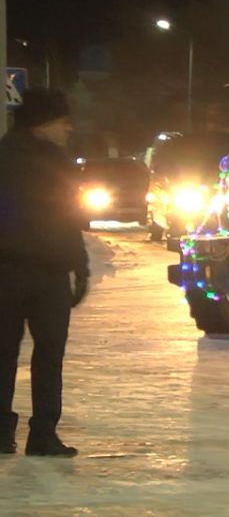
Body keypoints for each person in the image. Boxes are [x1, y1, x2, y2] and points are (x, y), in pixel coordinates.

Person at [0, 88, 88, 458]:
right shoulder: (9, 159)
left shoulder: (56, 162)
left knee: (25, 353)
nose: (69, 129)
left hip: (42, 273)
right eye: (63, 122)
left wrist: (78, 266)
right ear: (42, 124)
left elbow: (69, 219)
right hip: (16, 271)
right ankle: (34, 434)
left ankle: (25, 434)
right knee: (31, 354)